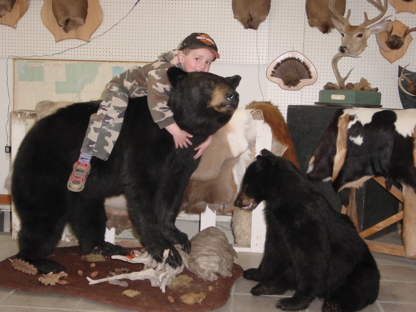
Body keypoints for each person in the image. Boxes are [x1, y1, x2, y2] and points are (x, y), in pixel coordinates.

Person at [67, 33, 220, 192]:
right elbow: (157, 106)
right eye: (197, 58)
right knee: (109, 118)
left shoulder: (197, 77)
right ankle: (83, 162)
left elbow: (205, 109)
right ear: (181, 56)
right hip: (123, 90)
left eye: (208, 62)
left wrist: (209, 136)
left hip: (148, 95)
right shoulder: (162, 72)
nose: (202, 66)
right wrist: (177, 133)